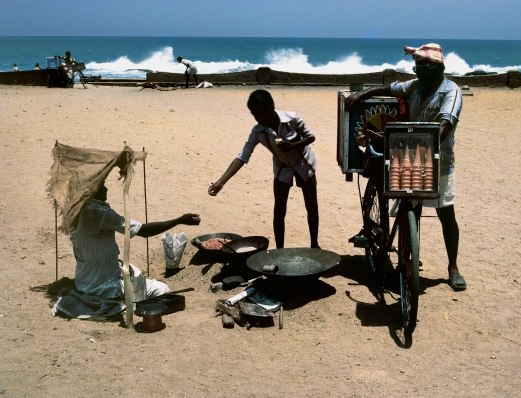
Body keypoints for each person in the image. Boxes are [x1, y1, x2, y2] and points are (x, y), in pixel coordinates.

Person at [345, 43, 466, 291]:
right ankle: (408, 258)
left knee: (446, 214)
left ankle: (453, 267)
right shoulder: (416, 85)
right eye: (416, 67)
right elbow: (389, 88)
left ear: (436, 67)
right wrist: (362, 95)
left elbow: (446, 125)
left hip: (438, 161)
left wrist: (426, 142)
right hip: (408, 158)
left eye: (421, 67)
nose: (417, 71)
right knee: (413, 210)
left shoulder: (450, 91)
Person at [52, 181, 200, 318]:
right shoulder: (98, 212)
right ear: (92, 190)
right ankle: (131, 302)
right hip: (102, 286)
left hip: (84, 281)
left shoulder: (76, 210)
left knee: (133, 269)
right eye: (102, 186)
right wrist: (180, 220)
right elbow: (142, 231)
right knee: (162, 290)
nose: (106, 189)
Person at [209, 89, 320, 249]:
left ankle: (314, 244)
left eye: (259, 113)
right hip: (282, 168)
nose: (256, 118)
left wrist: (293, 146)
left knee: (311, 206)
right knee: (279, 210)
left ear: (271, 107)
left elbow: (311, 137)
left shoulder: (293, 118)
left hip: (304, 164)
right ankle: (279, 249)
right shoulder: (258, 131)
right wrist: (221, 182)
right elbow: (242, 156)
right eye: (253, 114)